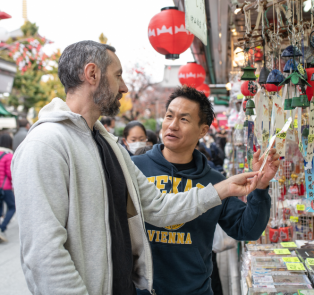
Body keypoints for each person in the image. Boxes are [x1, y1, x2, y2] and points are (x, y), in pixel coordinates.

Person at [12, 41, 262, 295]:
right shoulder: (45, 145)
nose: (124, 87)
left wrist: (222, 189)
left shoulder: (109, 146)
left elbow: (160, 207)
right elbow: (44, 254)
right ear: (92, 74)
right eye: (118, 76)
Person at [132, 86, 279, 295]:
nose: (172, 125)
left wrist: (261, 186)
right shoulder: (134, 168)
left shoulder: (215, 182)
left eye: (184, 119)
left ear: (203, 130)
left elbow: (248, 230)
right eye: (169, 116)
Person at [0, 132, 15, 242]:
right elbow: (10, 173)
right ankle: (2, 227)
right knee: (12, 207)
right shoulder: (8, 155)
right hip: (5, 187)